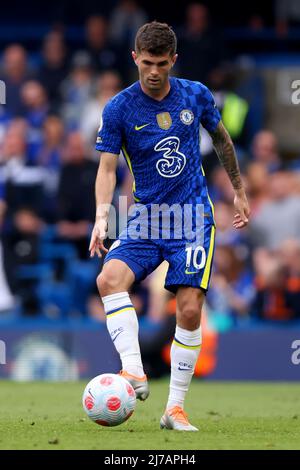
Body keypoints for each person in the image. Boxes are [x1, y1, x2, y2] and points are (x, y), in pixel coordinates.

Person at [89, 22, 250, 431]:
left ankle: (174, 408)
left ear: (173, 60)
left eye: (162, 63)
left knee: (191, 308)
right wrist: (102, 217)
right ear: (135, 59)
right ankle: (134, 372)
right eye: (147, 63)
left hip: (193, 217)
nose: (154, 71)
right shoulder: (119, 108)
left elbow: (222, 140)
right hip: (145, 217)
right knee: (109, 279)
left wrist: (238, 189)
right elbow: (107, 168)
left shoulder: (195, 94)